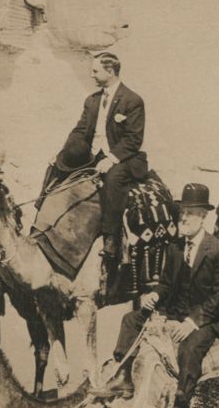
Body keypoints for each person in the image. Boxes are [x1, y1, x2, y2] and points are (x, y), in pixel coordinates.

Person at [90, 183, 219, 408]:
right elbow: (166, 283)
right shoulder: (174, 247)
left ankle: (182, 401)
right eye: (182, 212)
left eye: (190, 213)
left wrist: (191, 323)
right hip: (174, 310)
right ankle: (124, 375)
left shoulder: (218, 250)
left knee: (189, 349)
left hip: (206, 318)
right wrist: (154, 295)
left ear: (203, 217)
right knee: (130, 319)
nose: (183, 218)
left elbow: (218, 298)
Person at [53, 52, 149, 263]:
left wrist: (112, 158)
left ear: (110, 71)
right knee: (57, 165)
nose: (91, 75)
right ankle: (44, 219)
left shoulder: (133, 100)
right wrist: (67, 150)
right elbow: (80, 129)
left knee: (113, 180)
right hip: (94, 155)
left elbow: (134, 139)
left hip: (124, 158)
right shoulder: (92, 100)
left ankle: (110, 237)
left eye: (95, 71)